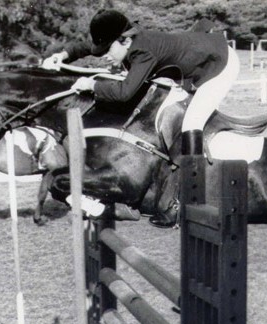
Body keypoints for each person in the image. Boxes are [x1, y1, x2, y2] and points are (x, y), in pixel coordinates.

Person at [42, 9, 240, 228]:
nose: (104, 54)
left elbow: (125, 92)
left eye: (108, 49)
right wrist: (62, 56)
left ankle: (183, 201)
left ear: (125, 42)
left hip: (220, 65)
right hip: (196, 61)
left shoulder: (143, 52)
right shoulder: (123, 39)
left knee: (191, 123)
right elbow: (87, 47)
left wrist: (92, 85)